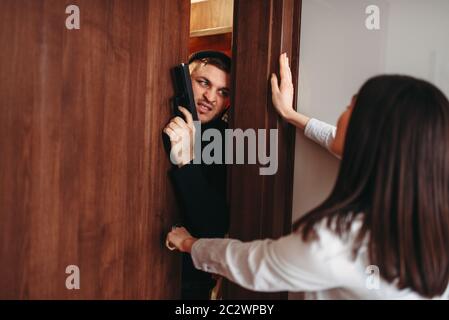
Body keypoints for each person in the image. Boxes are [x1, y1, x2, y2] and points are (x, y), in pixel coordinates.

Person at [166, 55, 449, 299]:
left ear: (368, 136)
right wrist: (289, 114)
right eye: (203, 82)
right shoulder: (433, 216)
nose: (343, 111)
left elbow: (254, 264)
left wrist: (189, 244)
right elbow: (335, 140)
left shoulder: (340, 243)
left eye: (351, 105)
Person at [163, 51, 231, 299]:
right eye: (204, 83)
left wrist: (187, 161)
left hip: (191, 278)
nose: (210, 97)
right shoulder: (158, 116)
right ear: (184, 80)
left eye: (223, 92)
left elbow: (213, 226)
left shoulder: (227, 140)